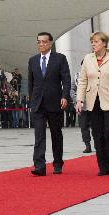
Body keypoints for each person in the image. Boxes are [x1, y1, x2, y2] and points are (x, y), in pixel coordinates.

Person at [76, 31, 109, 177]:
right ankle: (103, 167)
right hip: (93, 102)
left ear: (104, 43)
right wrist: (79, 100)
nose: (93, 44)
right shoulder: (88, 59)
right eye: (92, 42)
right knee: (97, 134)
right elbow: (82, 81)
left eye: (96, 41)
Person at [27, 32, 71, 176]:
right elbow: (31, 83)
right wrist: (32, 101)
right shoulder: (32, 60)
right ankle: (39, 165)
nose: (41, 44)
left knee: (56, 134)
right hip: (38, 104)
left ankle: (58, 163)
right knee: (39, 135)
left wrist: (65, 96)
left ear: (50, 43)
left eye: (44, 42)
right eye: (39, 42)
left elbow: (66, 79)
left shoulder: (60, 59)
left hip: (55, 102)